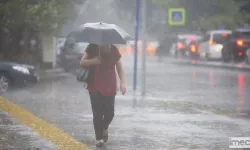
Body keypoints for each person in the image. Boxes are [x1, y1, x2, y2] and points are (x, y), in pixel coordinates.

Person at [80, 44, 126, 148]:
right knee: (97, 114)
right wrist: (94, 61)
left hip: (110, 86)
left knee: (110, 113)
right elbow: (82, 62)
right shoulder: (92, 47)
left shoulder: (114, 50)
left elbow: (119, 68)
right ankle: (99, 138)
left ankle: (105, 127)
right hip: (94, 85)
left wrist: (123, 83)